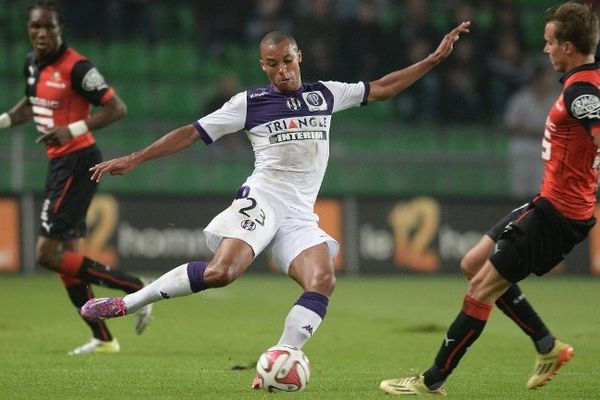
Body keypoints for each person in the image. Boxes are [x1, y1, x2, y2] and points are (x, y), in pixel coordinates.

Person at [79, 22, 470, 388]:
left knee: (323, 280)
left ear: (298, 56)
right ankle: (130, 302)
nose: (282, 71)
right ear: (262, 66)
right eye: (272, 64)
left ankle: (284, 354)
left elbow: (383, 87)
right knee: (222, 273)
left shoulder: (326, 94)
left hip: (299, 215)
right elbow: (191, 132)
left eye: (287, 60)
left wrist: (433, 59)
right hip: (263, 200)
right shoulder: (248, 103)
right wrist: (135, 158)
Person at [380, 2, 600, 395]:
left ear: (568, 46)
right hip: (546, 202)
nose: (546, 50)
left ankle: (431, 381)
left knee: (481, 288)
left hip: (558, 213)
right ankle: (547, 346)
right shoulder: (585, 80)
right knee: (472, 263)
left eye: (550, 43)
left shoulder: (583, 89)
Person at [0, 1, 153, 355]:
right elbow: (29, 104)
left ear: (60, 29)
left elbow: (117, 107)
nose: (41, 33)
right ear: (29, 28)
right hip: (58, 165)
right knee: (67, 260)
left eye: (48, 27)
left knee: (46, 254)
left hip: (78, 161)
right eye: (35, 27)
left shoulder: (77, 67)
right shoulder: (31, 63)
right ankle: (103, 338)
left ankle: (137, 288)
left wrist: (73, 129)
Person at [504, 63, 560, 198]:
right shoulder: (521, 99)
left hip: (546, 147)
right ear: (537, 79)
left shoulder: (556, 100)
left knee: (541, 188)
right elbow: (510, 125)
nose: (549, 81)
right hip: (523, 145)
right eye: (546, 77)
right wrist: (534, 132)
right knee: (519, 188)